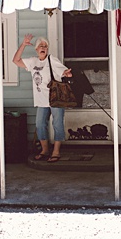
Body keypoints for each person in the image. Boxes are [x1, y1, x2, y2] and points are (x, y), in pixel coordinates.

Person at [13, 33, 73, 163]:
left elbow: (63, 71)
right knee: (40, 125)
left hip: (56, 99)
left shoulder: (52, 60)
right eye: (40, 46)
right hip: (41, 100)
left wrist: (66, 73)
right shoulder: (33, 61)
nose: (43, 47)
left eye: (45, 46)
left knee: (57, 124)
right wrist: (23, 44)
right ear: (36, 49)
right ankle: (45, 150)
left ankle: (56, 151)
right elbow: (16, 61)